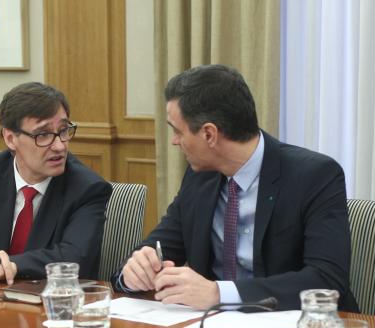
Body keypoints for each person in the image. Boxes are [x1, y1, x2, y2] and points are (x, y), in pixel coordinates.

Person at [117, 64, 357, 311]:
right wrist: (134, 271)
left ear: (209, 134)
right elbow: (160, 247)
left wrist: (219, 293)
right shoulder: (200, 177)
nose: (174, 142)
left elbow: (327, 281)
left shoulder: (314, 176)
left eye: (178, 131)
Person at [0, 82, 112, 284]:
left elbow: (75, 258)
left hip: (51, 306)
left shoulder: (87, 188)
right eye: (43, 134)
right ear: (11, 139)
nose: (59, 145)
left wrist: (2, 264)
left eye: (64, 130)